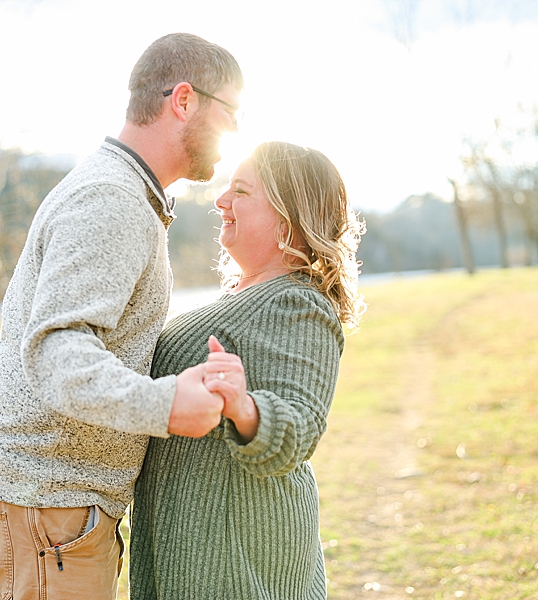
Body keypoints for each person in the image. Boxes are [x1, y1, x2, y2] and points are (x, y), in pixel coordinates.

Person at [0, 33, 244, 600]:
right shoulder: (114, 199)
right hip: (40, 506)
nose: (235, 132)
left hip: (50, 509)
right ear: (183, 100)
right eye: (231, 114)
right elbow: (57, 350)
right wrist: (166, 404)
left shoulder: (127, 192)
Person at [130, 141, 365, 599]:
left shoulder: (298, 303)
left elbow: (300, 425)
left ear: (287, 219)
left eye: (240, 191)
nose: (221, 201)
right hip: (190, 543)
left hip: (238, 560)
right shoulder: (243, 298)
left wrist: (243, 406)